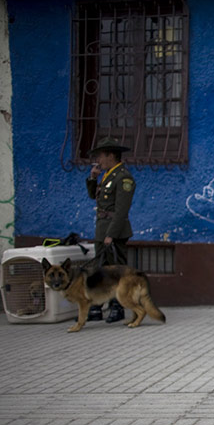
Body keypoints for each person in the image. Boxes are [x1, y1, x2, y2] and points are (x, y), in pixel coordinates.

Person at [85, 137, 136, 323]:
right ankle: (97, 307)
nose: (99, 160)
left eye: (101, 156)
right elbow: (94, 196)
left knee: (116, 271)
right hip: (102, 229)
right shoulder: (107, 176)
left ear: (111, 155)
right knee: (100, 269)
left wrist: (111, 235)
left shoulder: (124, 177)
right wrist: (93, 178)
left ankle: (118, 307)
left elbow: (121, 210)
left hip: (115, 231)